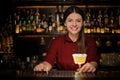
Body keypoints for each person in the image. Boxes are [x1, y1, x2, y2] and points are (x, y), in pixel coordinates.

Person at [33, 6, 100, 73]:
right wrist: (43, 66)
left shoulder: (90, 42)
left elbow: (94, 61)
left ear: (82, 23)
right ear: (65, 23)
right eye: (70, 20)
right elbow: (49, 61)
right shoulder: (57, 42)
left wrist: (92, 65)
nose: (74, 24)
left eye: (78, 21)